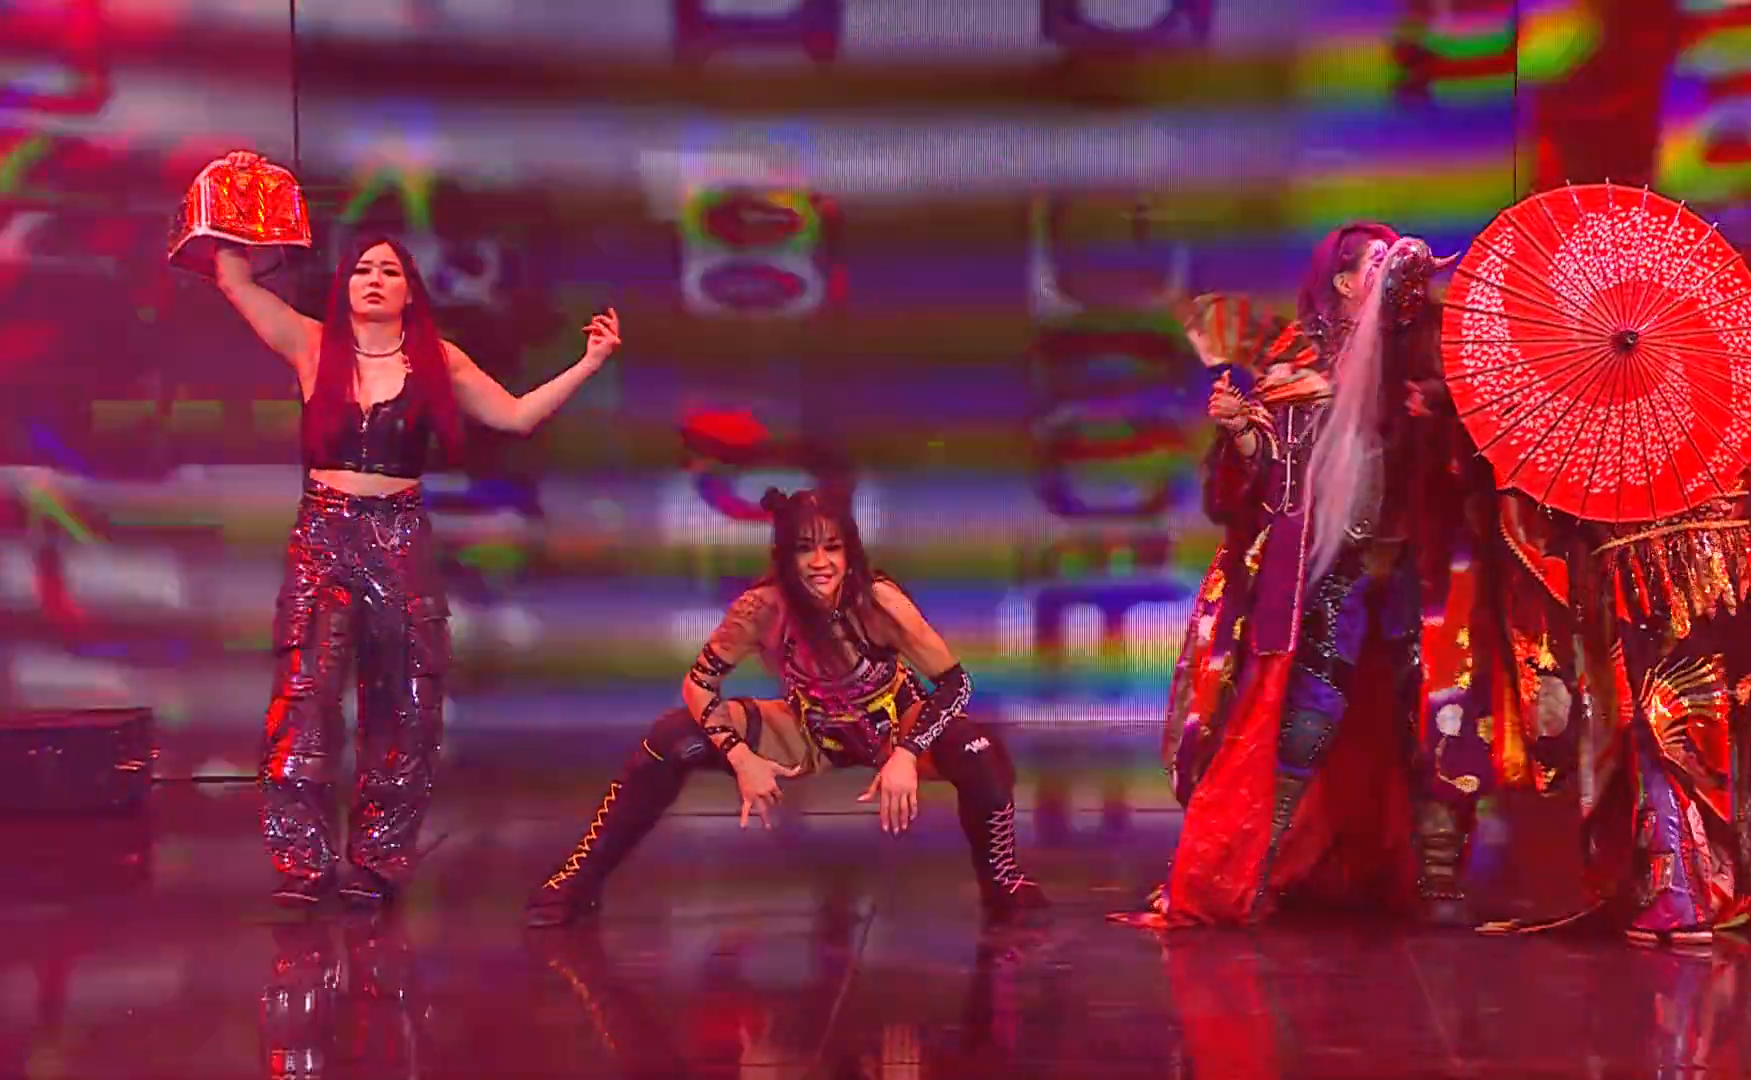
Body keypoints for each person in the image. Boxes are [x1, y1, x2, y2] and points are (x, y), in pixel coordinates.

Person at [208, 162, 621, 908]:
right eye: (362, 270)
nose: (373, 280)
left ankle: (377, 862)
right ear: (345, 286)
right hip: (324, 531)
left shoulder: (437, 360)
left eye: (389, 271)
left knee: (402, 702)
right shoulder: (312, 345)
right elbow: (233, 281)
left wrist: (589, 363)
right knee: (303, 698)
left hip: (398, 536)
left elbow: (516, 416)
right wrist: (238, 219)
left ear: (409, 292)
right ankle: (302, 864)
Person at [1468, 354, 1751, 947]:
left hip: (1661, 575)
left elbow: (1545, 509)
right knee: (1715, 727)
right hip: (1719, 569)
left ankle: (1686, 895)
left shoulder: (1593, 387)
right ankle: (1718, 884)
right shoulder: (1728, 370)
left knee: (1678, 729)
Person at [1121, 222, 1468, 929]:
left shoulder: (1426, 354)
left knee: (1432, 717)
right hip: (1337, 570)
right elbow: (1268, 480)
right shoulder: (1301, 361)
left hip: (1413, 567)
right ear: (1343, 282)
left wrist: (1436, 413)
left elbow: (1453, 471)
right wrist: (1243, 431)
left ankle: (1433, 882)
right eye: (1374, 261)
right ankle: (1259, 864)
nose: (1390, 269)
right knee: (1310, 718)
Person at [524, 487, 1049, 927]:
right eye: (804, 550)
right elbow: (699, 684)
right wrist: (741, 757)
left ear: (850, 552)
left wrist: (907, 754)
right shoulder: (762, 607)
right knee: (671, 737)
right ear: (784, 555)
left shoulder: (880, 602)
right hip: (808, 728)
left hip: (892, 723)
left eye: (833, 548)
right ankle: (578, 882)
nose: (820, 564)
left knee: (980, 749)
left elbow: (956, 683)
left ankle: (1002, 883)